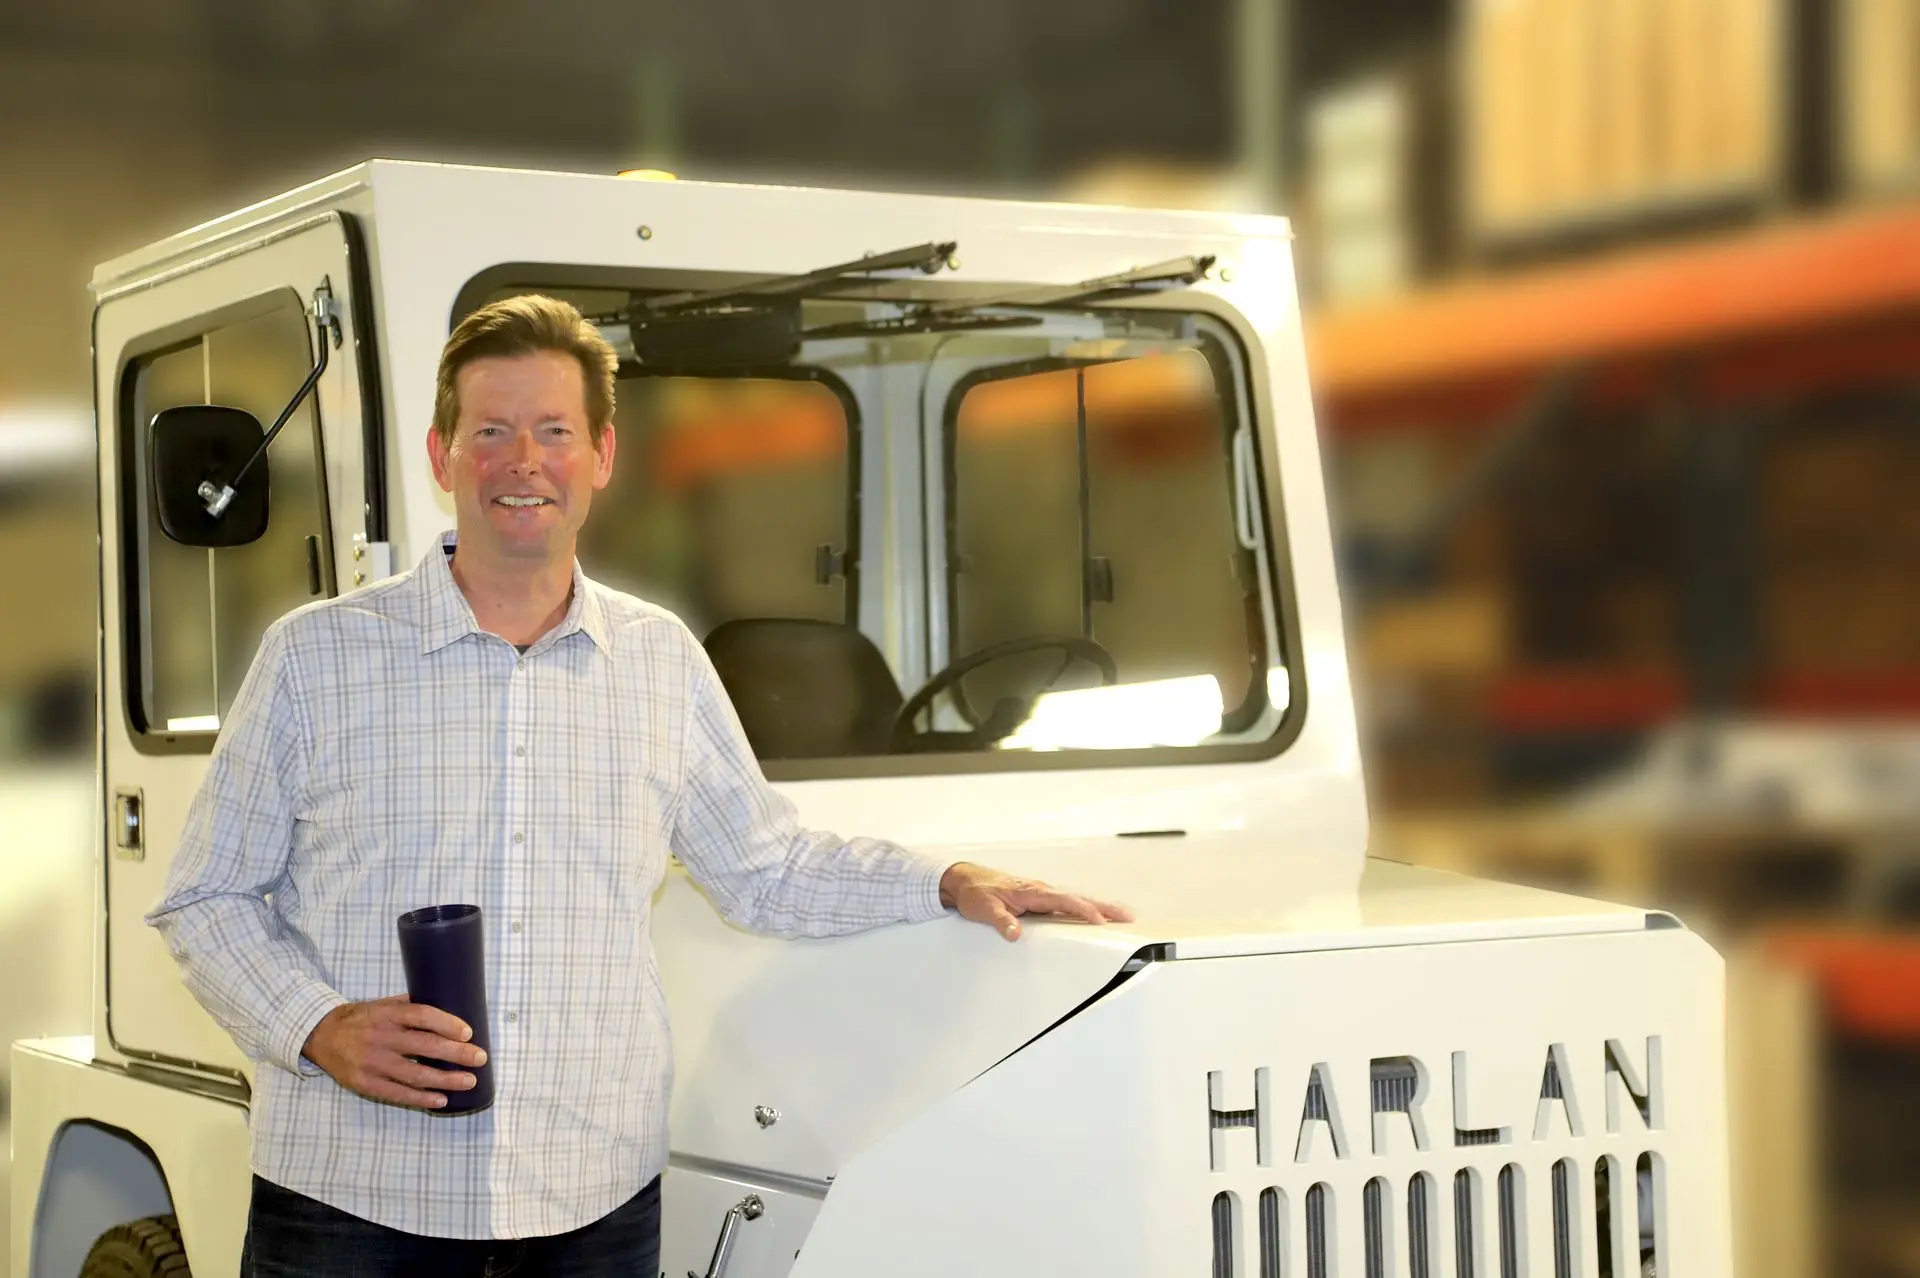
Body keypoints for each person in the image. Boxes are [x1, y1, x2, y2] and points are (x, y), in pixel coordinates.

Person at [147, 295, 1130, 1277]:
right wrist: (316, 1026)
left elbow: (767, 867)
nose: (522, 461)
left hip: (591, 1208)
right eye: (490, 431)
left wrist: (945, 882)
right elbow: (206, 898)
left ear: (601, 458)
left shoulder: (659, 662)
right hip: (352, 1204)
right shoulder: (316, 658)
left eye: (553, 432)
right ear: (443, 457)